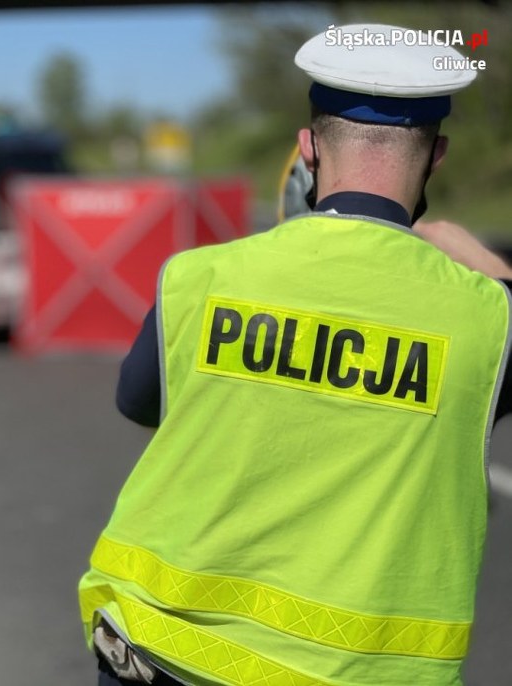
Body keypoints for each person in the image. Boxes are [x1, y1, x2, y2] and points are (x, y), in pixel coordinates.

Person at [78, 23, 512, 686]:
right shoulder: (488, 319)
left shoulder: (197, 277)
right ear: (437, 156)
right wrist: (475, 255)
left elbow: (137, 402)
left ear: (307, 149)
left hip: (156, 652)